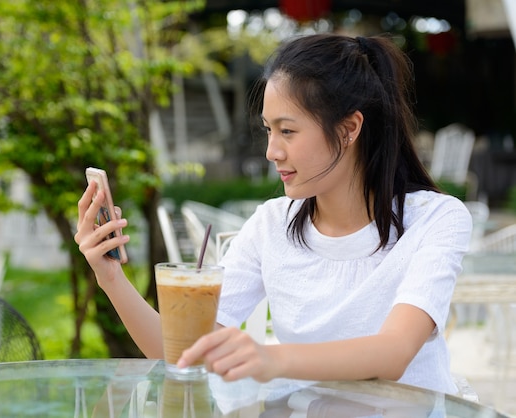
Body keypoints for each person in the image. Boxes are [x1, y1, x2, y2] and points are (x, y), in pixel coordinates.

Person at [75, 33, 472, 395]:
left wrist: (274, 359)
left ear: (349, 128)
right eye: (268, 130)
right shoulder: (271, 226)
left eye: (287, 131)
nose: (272, 151)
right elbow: (184, 352)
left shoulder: (435, 219)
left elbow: (394, 352)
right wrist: (111, 278)